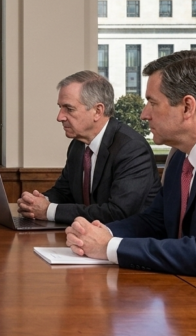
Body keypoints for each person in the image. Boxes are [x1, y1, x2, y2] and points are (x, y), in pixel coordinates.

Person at [66, 51, 196, 304]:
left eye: (152, 103)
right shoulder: (181, 155)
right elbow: (156, 221)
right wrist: (101, 232)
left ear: (187, 107)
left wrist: (109, 247)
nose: (144, 114)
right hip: (189, 296)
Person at [18, 71, 160, 224]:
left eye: (69, 109)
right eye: (60, 107)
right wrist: (36, 202)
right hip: (87, 234)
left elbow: (118, 212)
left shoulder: (132, 148)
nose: (60, 117)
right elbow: (64, 192)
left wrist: (48, 211)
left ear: (97, 111)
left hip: (128, 237)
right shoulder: (78, 145)